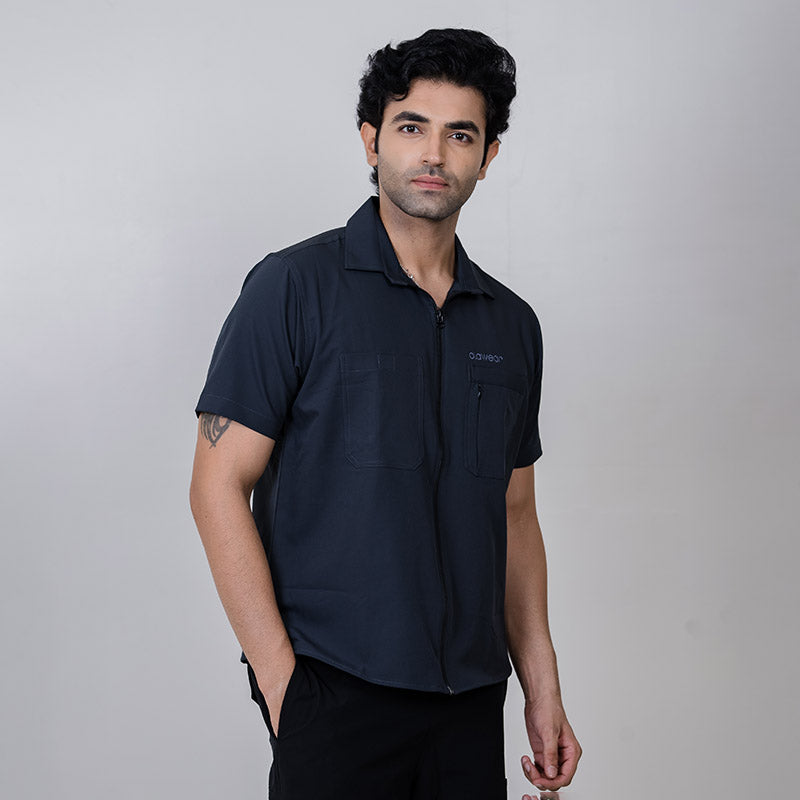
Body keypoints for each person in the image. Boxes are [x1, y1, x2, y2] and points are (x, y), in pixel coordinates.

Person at [190, 28, 581, 799]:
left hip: (471, 699)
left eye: (459, 134)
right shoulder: (292, 287)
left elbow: (515, 515)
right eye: (411, 127)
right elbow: (216, 487)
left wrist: (542, 689)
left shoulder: (511, 324)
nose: (434, 153)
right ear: (371, 140)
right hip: (334, 689)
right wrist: (284, 687)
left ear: (487, 156)